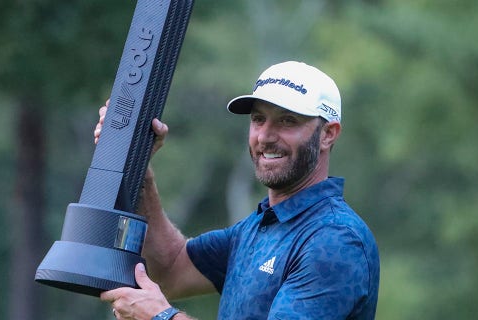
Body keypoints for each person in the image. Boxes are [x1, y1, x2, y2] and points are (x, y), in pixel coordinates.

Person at [96, 61, 380, 319]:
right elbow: (169, 269)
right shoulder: (259, 227)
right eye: (258, 119)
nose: (265, 136)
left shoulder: (335, 240)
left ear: (327, 134)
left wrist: (161, 316)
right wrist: (137, 163)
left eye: (287, 120)